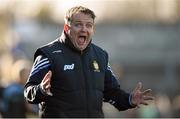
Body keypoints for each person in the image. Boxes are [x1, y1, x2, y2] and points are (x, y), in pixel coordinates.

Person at [24, 6, 154, 118]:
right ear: (67, 28)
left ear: (93, 30)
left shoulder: (101, 56)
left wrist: (130, 99)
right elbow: (28, 92)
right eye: (78, 24)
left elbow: (111, 92)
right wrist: (41, 89)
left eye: (88, 25)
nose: (83, 29)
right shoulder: (48, 54)